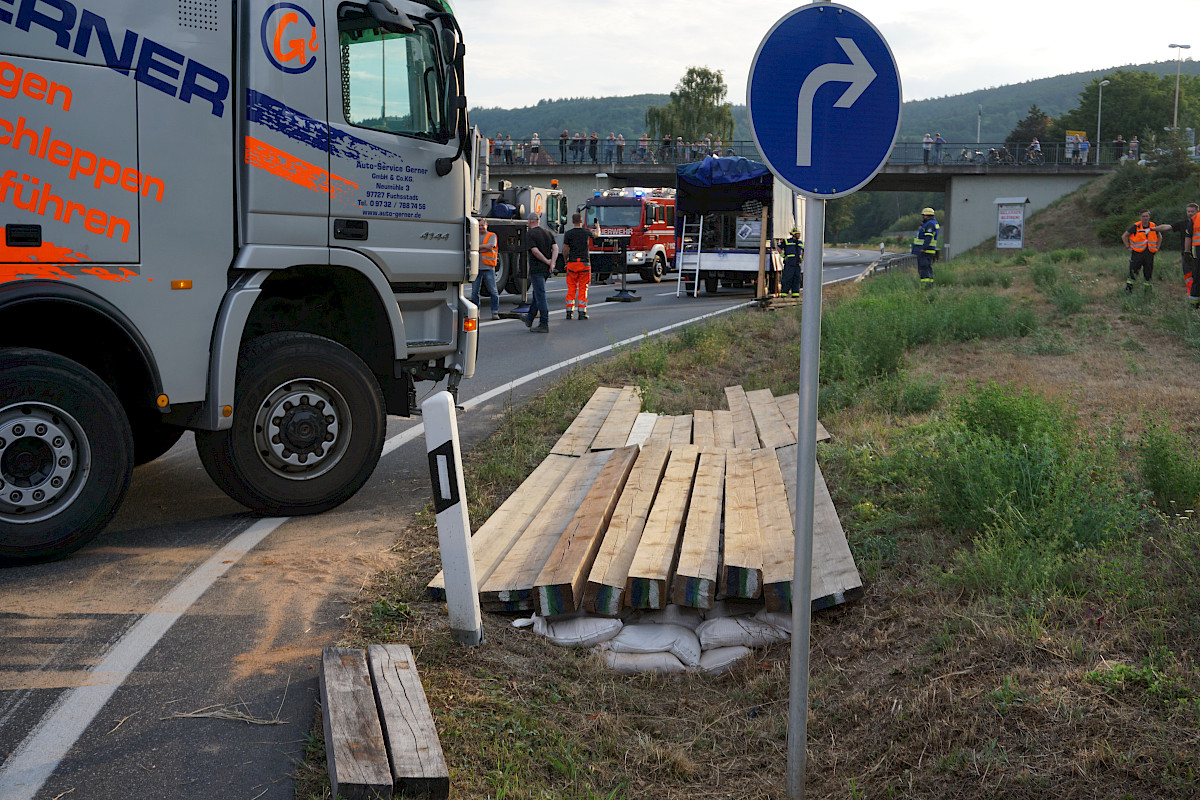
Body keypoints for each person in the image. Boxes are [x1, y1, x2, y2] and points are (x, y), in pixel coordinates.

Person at [1152, 203, 1200, 304]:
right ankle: (1191, 296)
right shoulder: (1183, 223)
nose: (1190, 213)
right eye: (1188, 211)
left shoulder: (1197, 222)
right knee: (1188, 276)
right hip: (1187, 255)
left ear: (1197, 211)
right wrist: (1152, 229)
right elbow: (1167, 227)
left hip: (1196, 253)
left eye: (1192, 211)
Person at [522, 213, 557, 333]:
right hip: (546, 270)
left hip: (537, 269)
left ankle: (544, 322)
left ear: (530, 221)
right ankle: (529, 318)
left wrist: (547, 261)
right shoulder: (548, 233)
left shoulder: (530, 234)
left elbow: (535, 251)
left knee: (540, 295)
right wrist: (552, 263)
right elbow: (556, 248)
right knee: (537, 293)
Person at [562, 213, 599, 320]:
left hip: (572, 263)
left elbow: (565, 249)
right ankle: (582, 312)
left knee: (571, 287)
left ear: (572, 221)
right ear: (581, 221)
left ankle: (569, 312)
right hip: (584, 263)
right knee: (583, 288)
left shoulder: (568, 234)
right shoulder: (586, 232)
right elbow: (597, 235)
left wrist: (566, 261)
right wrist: (597, 226)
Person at [1122, 209, 1160, 293]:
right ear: (1140, 217)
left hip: (1149, 253)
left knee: (1148, 273)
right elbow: (1124, 236)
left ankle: (1148, 291)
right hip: (1137, 253)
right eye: (1143, 216)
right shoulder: (1136, 226)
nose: (1145, 218)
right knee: (1133, 272)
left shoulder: (1153, 226)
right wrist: (1128, 247)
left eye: (1147, 216)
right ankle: (1129, 290)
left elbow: (1159, 237)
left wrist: (1157, 247)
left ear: (1149, 217)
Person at [471, 219, 500, 320]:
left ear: (487, 226)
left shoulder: (492, 235)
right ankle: (476, 312)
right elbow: (471, 247)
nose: (481, 227)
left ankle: (495, 312)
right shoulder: (474, 235)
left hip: (488, 267)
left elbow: (490, 247)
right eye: (479, 225)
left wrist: (477, 248)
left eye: (483, 225)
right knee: (474, 292)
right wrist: (483, 247)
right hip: (476, 268)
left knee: (493, 291)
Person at [911, 207, 940, 287]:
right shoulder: (931, 223)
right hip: (927, 250)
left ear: (927, 215)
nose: (923, 217)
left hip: (924, 251)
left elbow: (928, 237)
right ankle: (930, 284)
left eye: (923, 215)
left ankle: (925, 285)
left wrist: (923, 248)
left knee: (923, 268)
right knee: (927, 268)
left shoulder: (930, 224)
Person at [780, 227, 804, 297]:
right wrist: (783, 256)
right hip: (789, 264)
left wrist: (802, 258)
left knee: (797, 279)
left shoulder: (800, 243)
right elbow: (779, 247)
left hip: (797, 264)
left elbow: (804, 250)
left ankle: (795, 294)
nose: (799, 235)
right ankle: (784, 294)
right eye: (797, 234)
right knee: (787, 279)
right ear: (793, 234)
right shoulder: (787, 241)